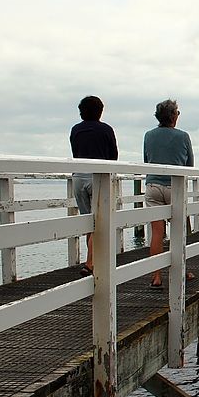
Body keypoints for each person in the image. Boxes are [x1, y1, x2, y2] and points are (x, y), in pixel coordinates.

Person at [143, 99, 194, 288]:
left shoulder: (148, 135)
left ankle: (156, 276)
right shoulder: (183, 136)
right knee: (179, 230)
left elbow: (147, 160)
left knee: (157, 232)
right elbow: (190, 165)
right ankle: (183, 269)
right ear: (173, 116)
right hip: (175, 187)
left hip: (153, 186)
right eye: (178, 113)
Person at [69, 95, 118, 276]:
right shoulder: (106, 130)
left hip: (78, 176)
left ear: (82, 112)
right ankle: (91, 263)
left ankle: (91, 259)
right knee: (99, 220)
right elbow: (113, 155)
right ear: (100, 112)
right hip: (97, 177)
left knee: (88, 220)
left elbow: (75, 151)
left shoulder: (76, 130)